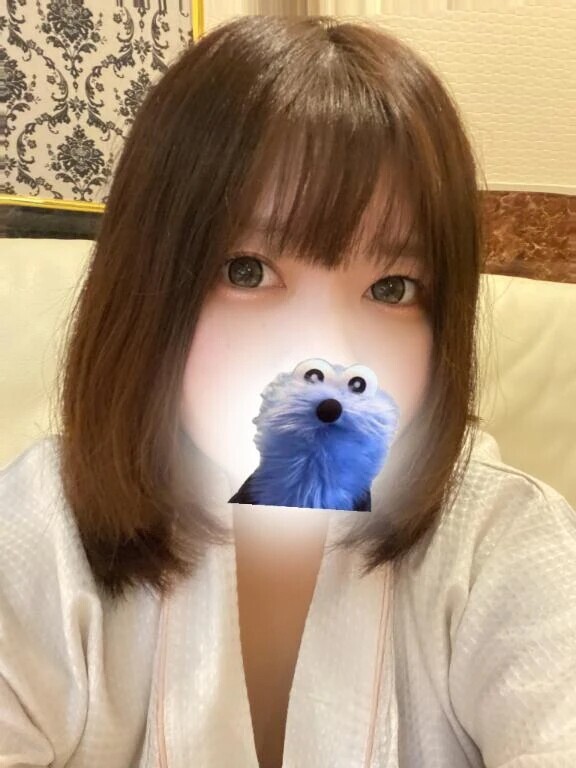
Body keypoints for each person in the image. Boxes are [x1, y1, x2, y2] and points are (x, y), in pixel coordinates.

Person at [0, 14, 574, 768]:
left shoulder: (501, 537)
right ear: (145, 288)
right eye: (247, 271)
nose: (328, 352)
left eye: (393, 287)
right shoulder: (45, 524)